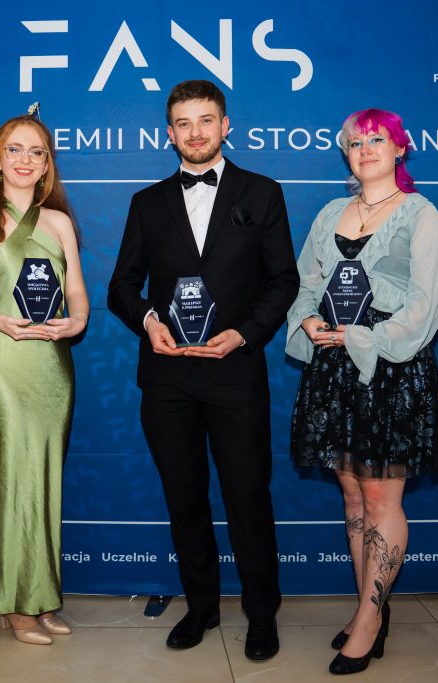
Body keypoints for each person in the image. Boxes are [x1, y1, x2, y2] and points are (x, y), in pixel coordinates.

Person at [107, 80, 299, 661]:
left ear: (225, 126)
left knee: (247, 496)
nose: (195, 132)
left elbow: (283, 281)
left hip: (235, 372)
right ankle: (201, 607)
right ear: (169, 133)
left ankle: (261, 614)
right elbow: (121, 286)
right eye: (184, 123)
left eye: (206, 120)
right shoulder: (147, 203)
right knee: (184, 499)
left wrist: (243, 333)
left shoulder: (262, 193)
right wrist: (149, 321)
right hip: (168, 378)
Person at [285, 107, 438, 675]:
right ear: (346, 153)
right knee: (353, 497)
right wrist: (308, 320)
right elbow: (305, 283)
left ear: (400, 148)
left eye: (378, 139)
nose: (366, 149)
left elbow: (426, 307)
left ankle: (370, 620)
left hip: (391, 371)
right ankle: (367, 608)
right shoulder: (331, 212)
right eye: (356, 142)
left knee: (381, 500)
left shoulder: (421, 214)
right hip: (333, 370)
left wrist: (364, 337)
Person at [0, 108, 87, 645]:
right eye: (15, 150)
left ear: (47, 165)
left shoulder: (59, 222)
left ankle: (39, 598)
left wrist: (77, 321)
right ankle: (12, 604)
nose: (26, 160)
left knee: (45, 484)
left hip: (52, 367)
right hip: (3, 364)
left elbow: (77, 294)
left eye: (37, 152)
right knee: (9, 484)